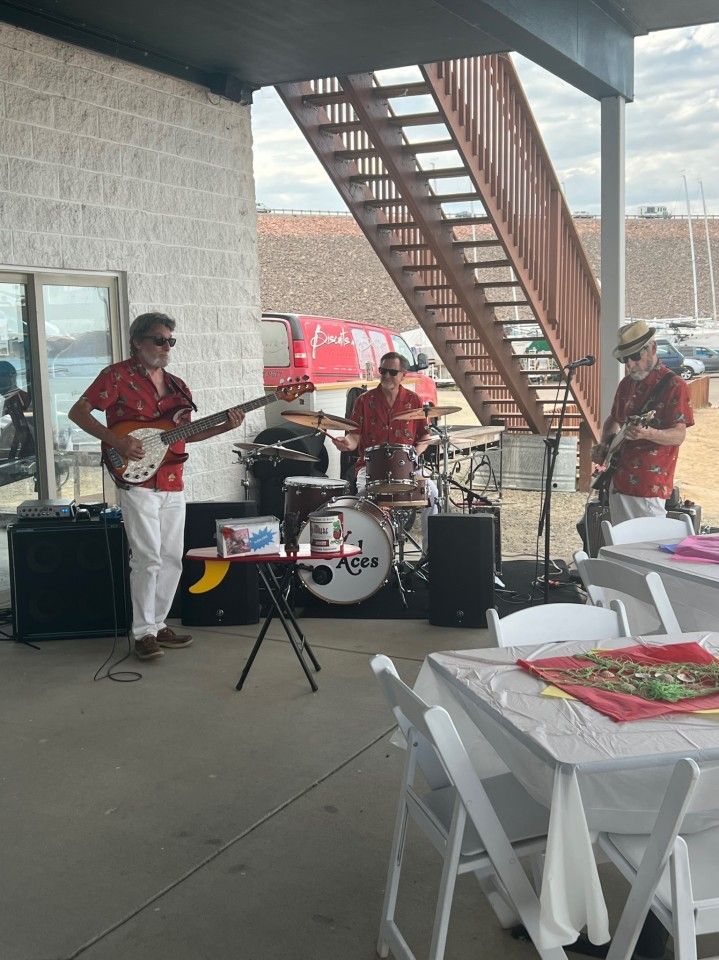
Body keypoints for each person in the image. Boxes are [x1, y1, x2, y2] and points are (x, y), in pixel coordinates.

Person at [68, 312, 244, 661]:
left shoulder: (179, 386)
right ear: (138, 341)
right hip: (136, 479)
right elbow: (79, 412)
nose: (167, 347)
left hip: (172, 479)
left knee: (171, 556)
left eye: (170, 341)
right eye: (160, 340)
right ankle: (142, 632)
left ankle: (159, 624)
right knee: (147, 557)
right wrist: (115, 442)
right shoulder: (116, 376)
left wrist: (225, 426)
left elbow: (185, 436)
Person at [591, 319, 694, 525]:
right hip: (617, 479)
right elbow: (613, 419)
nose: (629, 364)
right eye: (624, 359)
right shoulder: (626, 384)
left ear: (653, 348)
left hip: (648, 486)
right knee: (619, 548)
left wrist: (648, 433)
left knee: (645, 547)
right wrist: (604, 445)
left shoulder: (675, 385)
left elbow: (678, 435)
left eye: (635, 356)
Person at [332, 351, 438, 548]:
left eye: (392, 372)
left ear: (403, 374)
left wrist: (415, 451)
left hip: (407, 466)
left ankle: (430, 555)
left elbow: (425, 436)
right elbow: (354, 437)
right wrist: (346, 443)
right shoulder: (364, 400)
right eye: (383, 371)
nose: (386, 376)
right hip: (371, 468)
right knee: (363, 495)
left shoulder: (413, 400)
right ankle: (369, 554)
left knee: (432, 491)